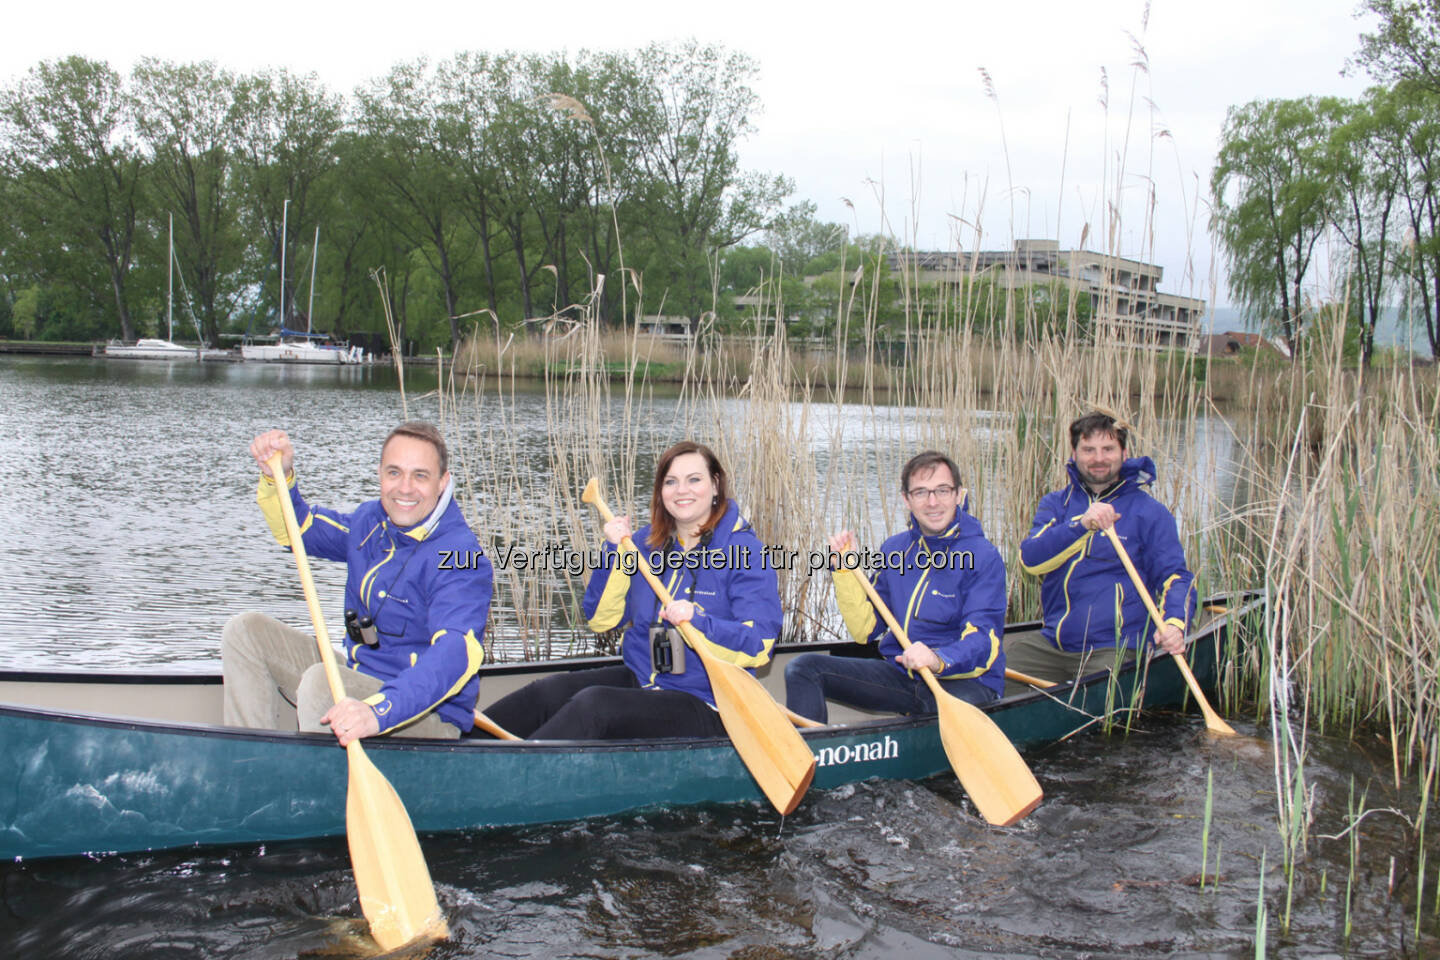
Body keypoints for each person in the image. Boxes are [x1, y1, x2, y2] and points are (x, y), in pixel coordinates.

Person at [482, 441, 781, 740]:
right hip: (643, 679)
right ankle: (465, 751)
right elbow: (601, 620)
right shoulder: (644, 544)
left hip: (708, 701)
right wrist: (615, 551)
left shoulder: (746, 553)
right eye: (671, 482)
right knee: (548, 693)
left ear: (715, 485)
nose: (681, 490)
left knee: (594, 707)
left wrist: (698, 622)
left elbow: (761, 644)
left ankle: (513, 776)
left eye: (694, 479)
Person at [222, 421, 493, 745]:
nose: (404, 488)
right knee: (246, 632)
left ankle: (319, 790)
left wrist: (377, 712)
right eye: (394, 473)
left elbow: (456, 653)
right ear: (380, 474)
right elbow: (300, 530)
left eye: (420, 475)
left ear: (442, 482)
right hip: (360, 674)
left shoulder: (462, 555)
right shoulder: (371, 523)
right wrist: (276, 476)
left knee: (321, 684)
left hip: (424, 717)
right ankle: (250, 767)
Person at [785, 450, 1008, 724]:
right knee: (803, 668)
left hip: (967, 682)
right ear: (906, 499)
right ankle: (809, 756)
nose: (933, 502)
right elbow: (864, 630)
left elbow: (984, 641)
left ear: (959, 494)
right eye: (921, 493)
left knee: (938, 714)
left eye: (942, 490)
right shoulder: (895, 550)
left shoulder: (983, 556)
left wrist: (938, 658)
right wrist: (844, 570)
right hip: (904, 676)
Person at [1008, 411, 1195, 689]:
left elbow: (1176, 577)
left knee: (1089, 697)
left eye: (1108, 449)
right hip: (1054, 644)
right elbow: (1031, 561)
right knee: (990, 680)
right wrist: (1082, 525)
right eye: (1089, 450)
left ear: (1124, 452)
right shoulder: (1056, 504)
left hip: (1115, 647)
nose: (1098, 458)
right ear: (1074, 453)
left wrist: (1175, 624)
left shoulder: (1150, 513)